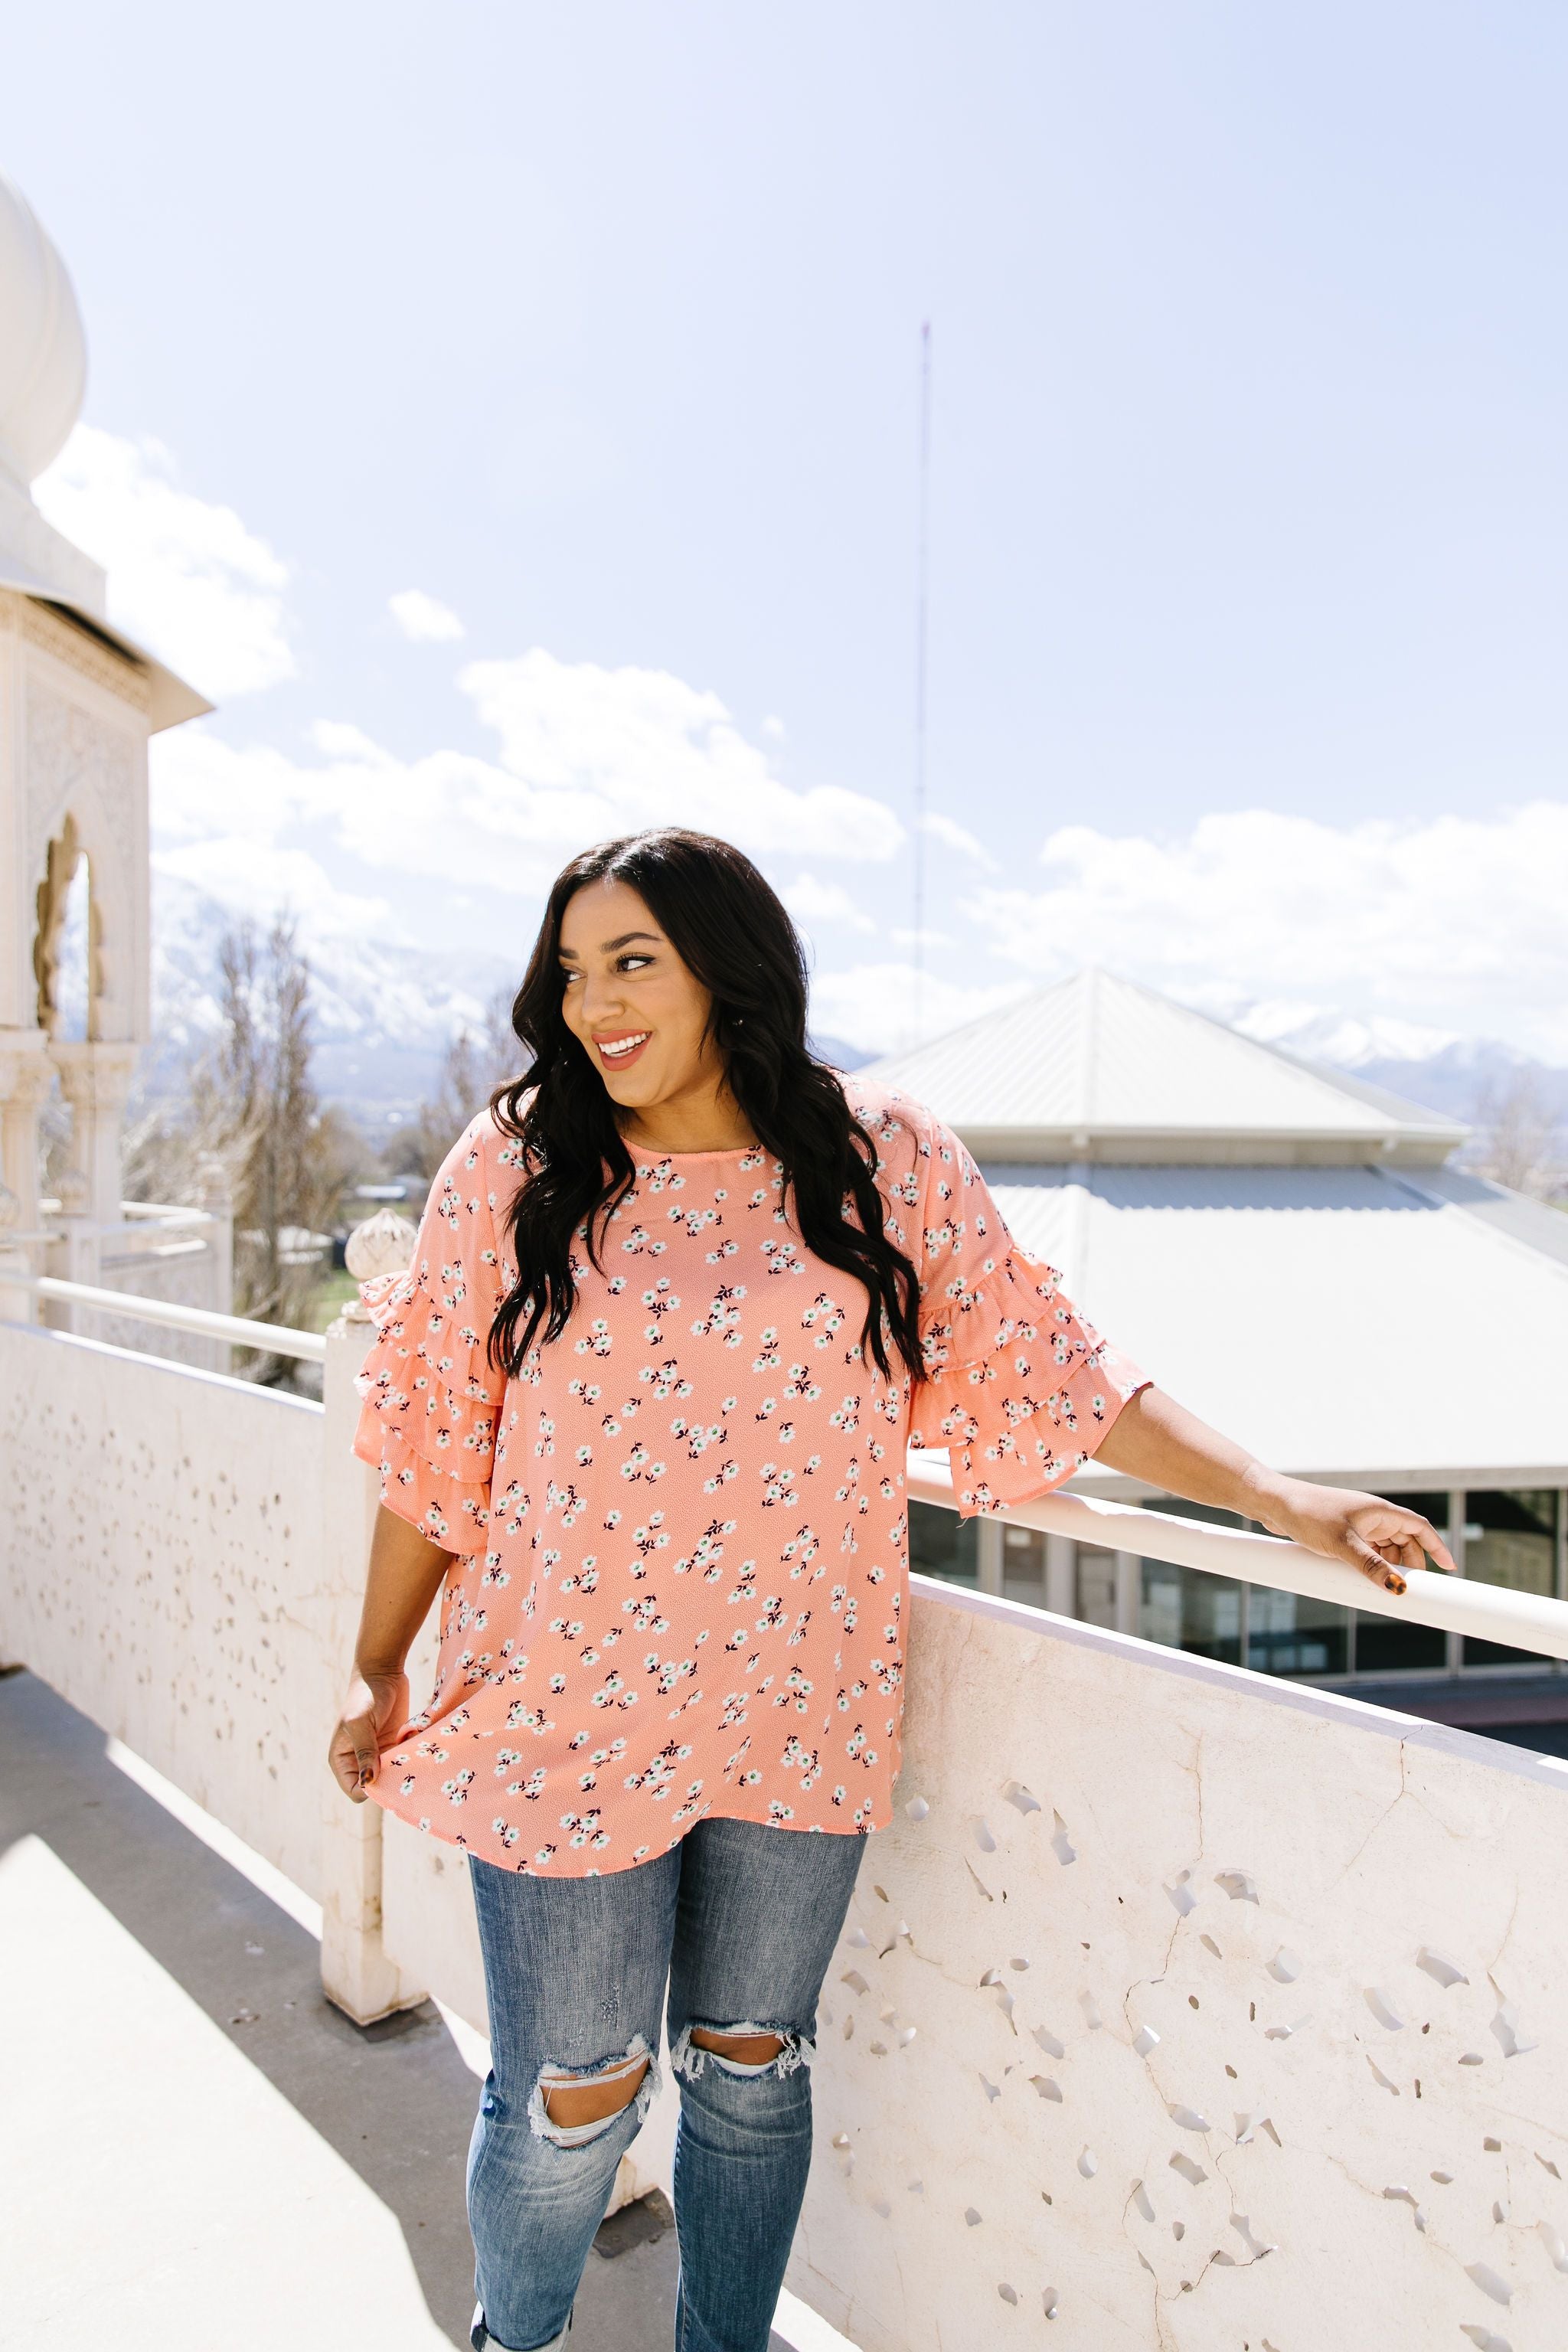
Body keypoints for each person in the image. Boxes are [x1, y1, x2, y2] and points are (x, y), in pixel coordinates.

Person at [328, 826, 1455, 2352]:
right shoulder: (517, 1161)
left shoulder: (881, 1158)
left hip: (801, 1704)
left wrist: (1275, 1496)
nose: (594, 1002)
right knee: (570, 2094)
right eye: (575, 969)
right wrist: (375, 1661)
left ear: (730, 970)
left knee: (748, 2067)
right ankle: (511, 2339)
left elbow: (1055, 1373)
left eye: (633, 960)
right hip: (561, 1710)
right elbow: (435, 1435)